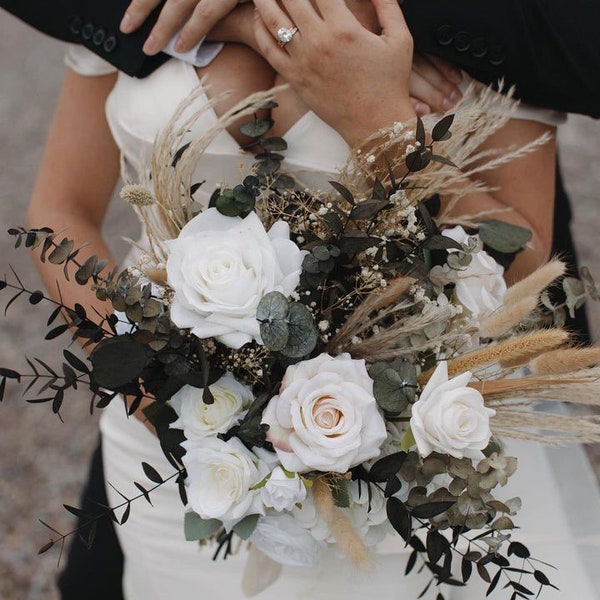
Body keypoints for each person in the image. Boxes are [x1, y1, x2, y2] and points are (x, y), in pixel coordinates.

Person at [16, 0, 599, 598]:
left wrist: (381, 125)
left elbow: (529, 274)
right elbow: (61, 211)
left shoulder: (486, 24)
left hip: (389, 466)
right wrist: (144, 383)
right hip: (173, 449)